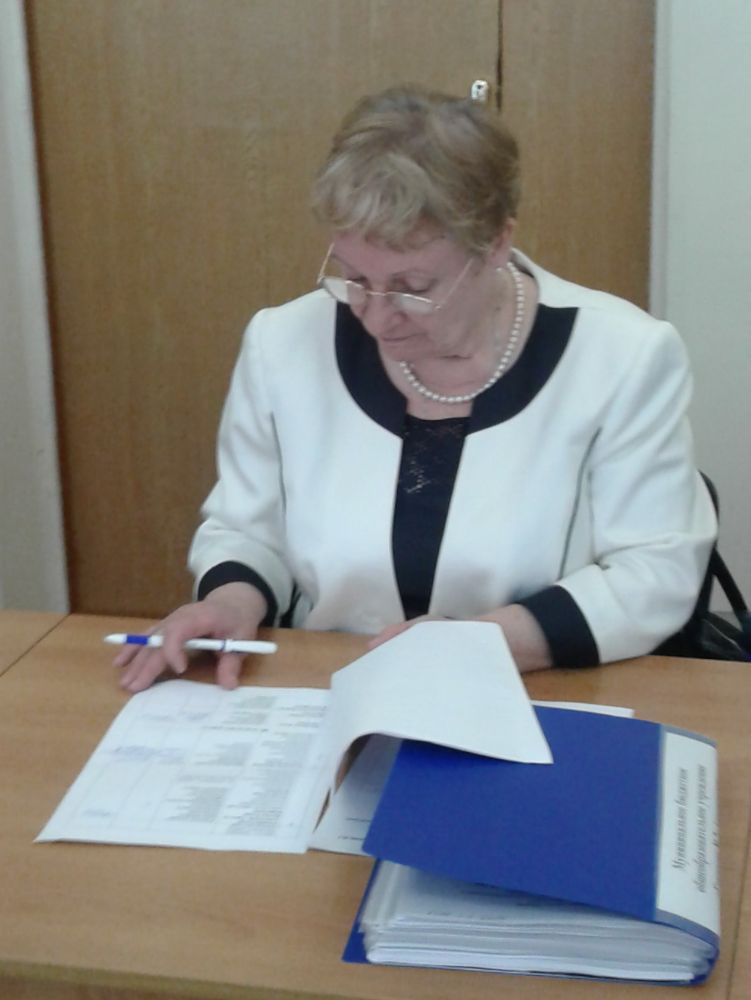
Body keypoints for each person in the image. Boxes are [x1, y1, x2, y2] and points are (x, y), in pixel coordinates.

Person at [117, 85, 717, 693]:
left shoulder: (623, 356)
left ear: (497, 243)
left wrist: (488, 642)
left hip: (535, 690)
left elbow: (654, 570)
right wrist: (230, 602)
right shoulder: (283, 344)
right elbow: (247, 529)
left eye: (413, 287)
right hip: (325, 688)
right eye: (354, 277)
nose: (377, 317)